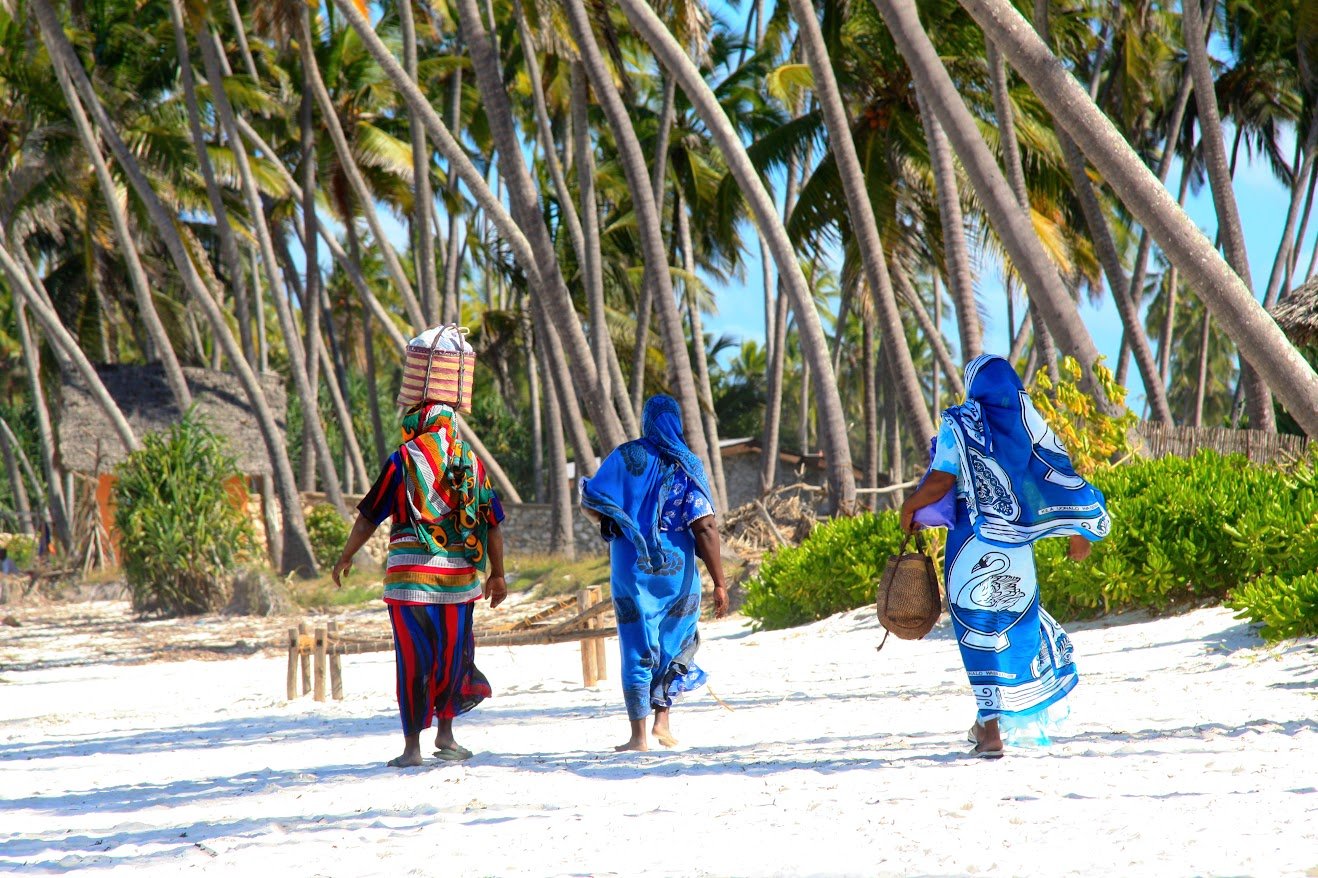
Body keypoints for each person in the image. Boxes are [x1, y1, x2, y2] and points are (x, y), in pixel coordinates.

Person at [900, 354, 1110, 759]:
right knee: (1013, 626)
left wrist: (908, 507)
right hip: (1014, 549)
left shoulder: (959, 423)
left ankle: (991, 731)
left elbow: (942, 479)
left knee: (977, 630)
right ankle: (988, 723)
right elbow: (1057, 476)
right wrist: (1077, 529)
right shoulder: (1030, 426)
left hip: (970, 543)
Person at [333, 401, 507, 768]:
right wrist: (498, 573)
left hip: (409, 584)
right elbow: (491, 521)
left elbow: (369, 515)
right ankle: (445, 734)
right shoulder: (470, 463)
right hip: (458, 583)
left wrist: (346, 555)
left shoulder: (402, 460)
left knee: (413, 660)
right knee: (453, 656)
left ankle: (412, 749)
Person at [579, 395, 729, 752]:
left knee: (636, 644)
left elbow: (591, 502)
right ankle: (663, 720)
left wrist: (620, 523)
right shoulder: (687, 463)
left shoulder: (625, 456)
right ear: (677, 421)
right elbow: (705, 526)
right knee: (675, 640)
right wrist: (720, 582)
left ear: (646, 421)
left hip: (632, 568)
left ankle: (638, 736)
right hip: (678, 573)